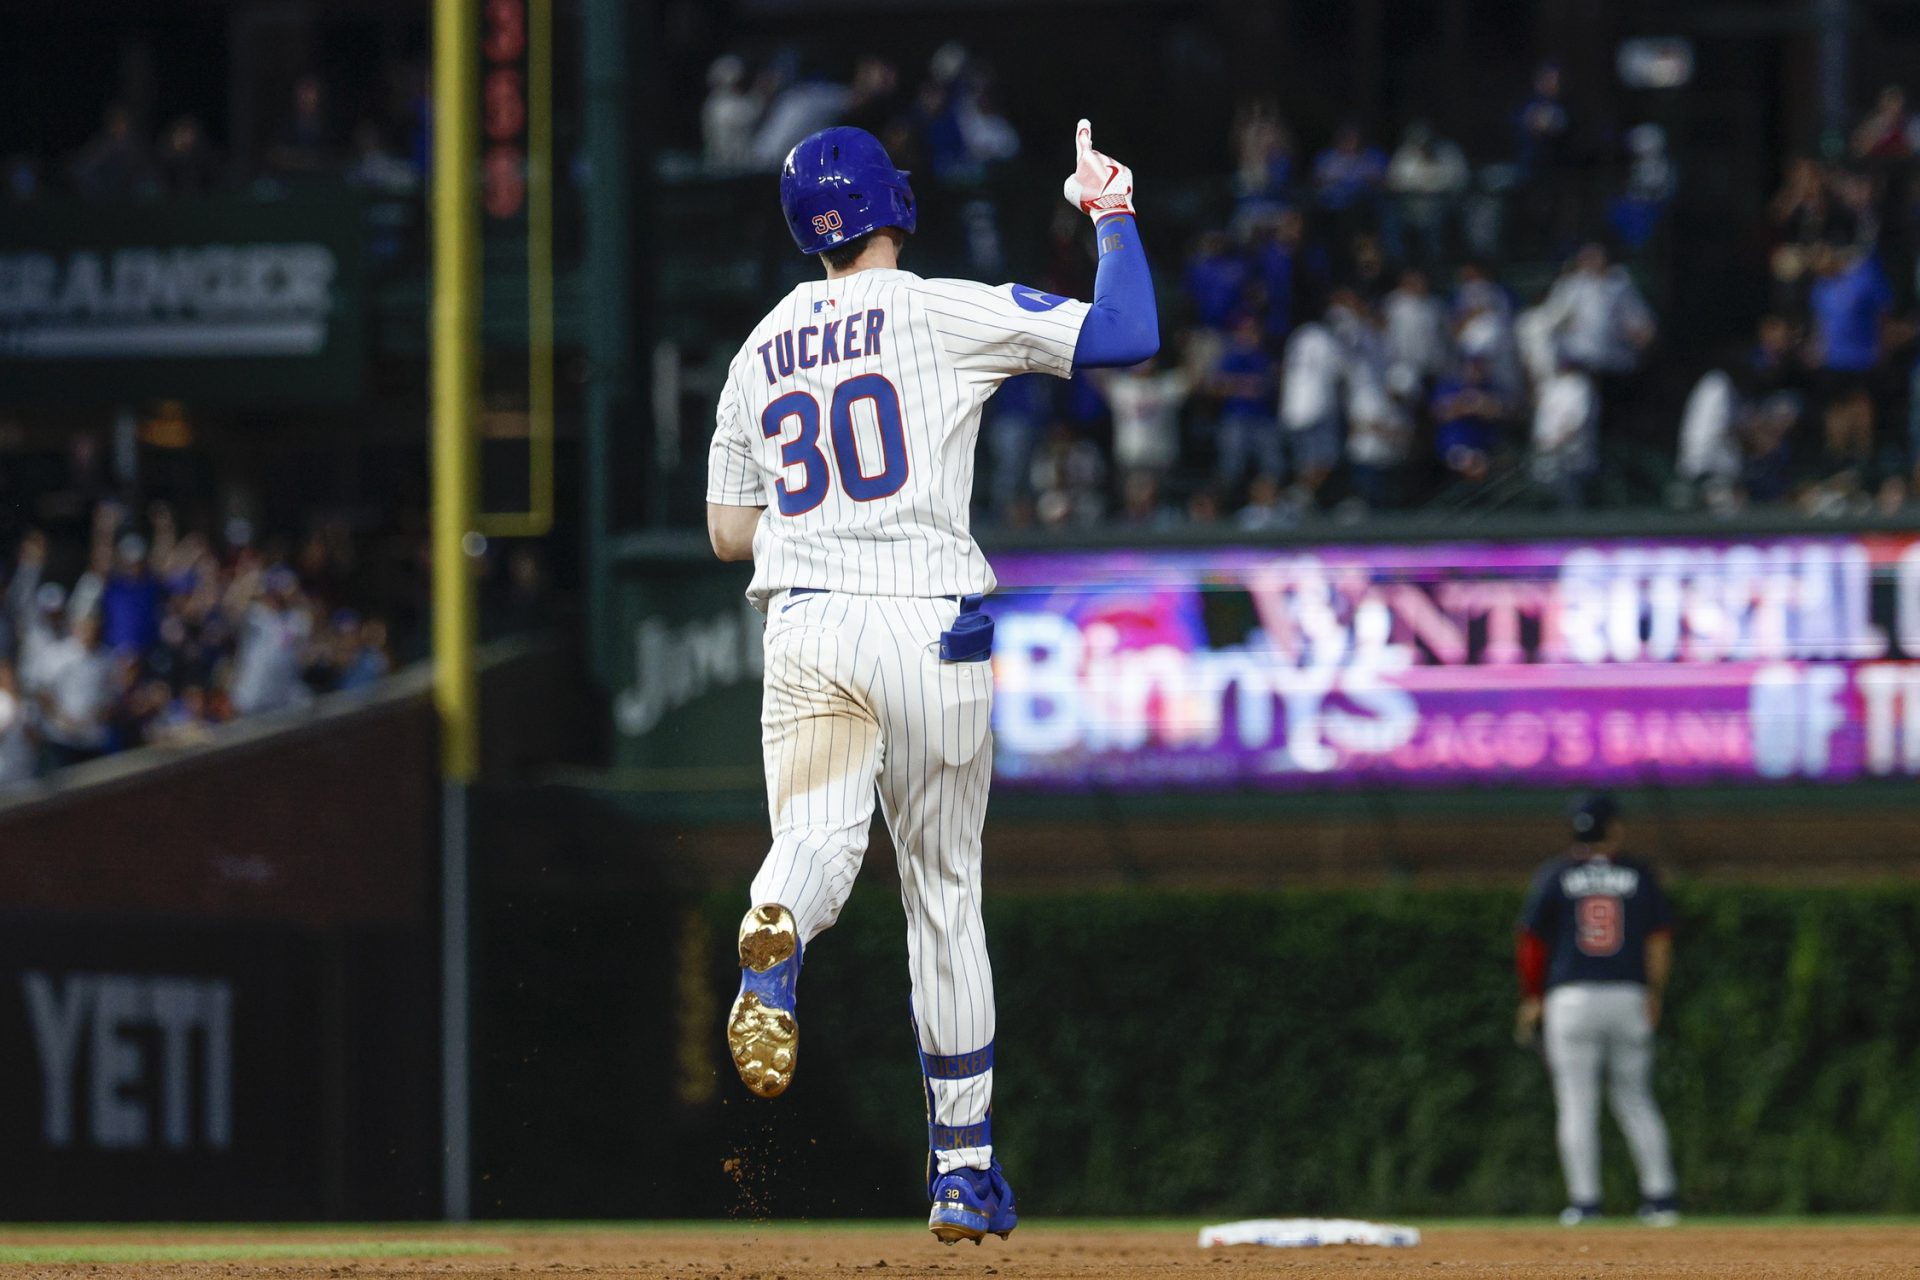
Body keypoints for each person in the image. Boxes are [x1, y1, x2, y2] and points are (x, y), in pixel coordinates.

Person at [702, 120, 1155, 1243]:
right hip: (926, 621)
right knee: (943, 897)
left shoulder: (758, 347)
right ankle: (960, 1170)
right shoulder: (937, 305)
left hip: (806, 622)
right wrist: (1110, 209)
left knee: (812, 839)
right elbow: (1127, 336)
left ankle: (778, 928)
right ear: (895, 204)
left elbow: (725, 532)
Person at [1516, 793, 1680, 1227]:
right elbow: (1659, 941)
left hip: (1570, 998)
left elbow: (1532, 943)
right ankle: (1660, 1199)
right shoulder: (1639, 875)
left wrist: (1533, 996)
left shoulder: (1556, 875)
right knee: (1635, 1099)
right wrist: (1655, 992)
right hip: (1627, 994)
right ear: (1614, 828)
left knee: (1576, 1103)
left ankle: (1586, 1204)